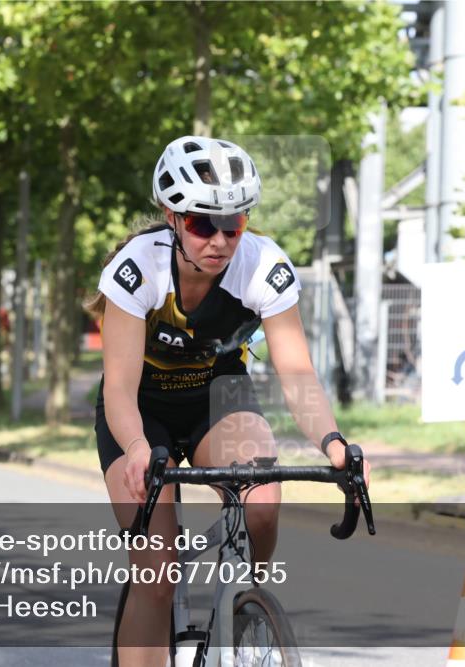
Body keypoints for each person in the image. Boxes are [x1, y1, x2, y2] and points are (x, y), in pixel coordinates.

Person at [85, 135, 370, 666]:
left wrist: (334, 444)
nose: (219, 241)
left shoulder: (263, 266)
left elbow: (297, 373)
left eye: (232, 225)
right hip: (140, 412)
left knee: (262, 498)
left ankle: (243, 609)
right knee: (157, 569)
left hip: (218, 397)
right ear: (172, 218)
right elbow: (119, 386)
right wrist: (138, 449)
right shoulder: (137, 268)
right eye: (202, 225)